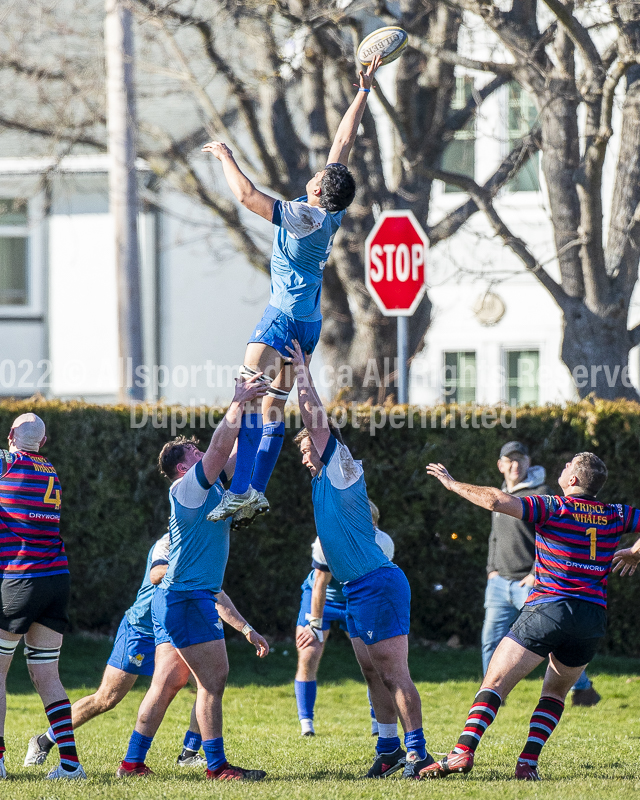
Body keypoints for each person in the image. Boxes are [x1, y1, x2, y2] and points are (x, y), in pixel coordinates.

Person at [201, 55, 382, 528]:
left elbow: (246, 198)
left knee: (245, 392)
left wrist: (226, 157)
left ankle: (239, 488)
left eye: (320, 178)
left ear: (321, 194)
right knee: (271, 405)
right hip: (308, 321)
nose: (317, 175)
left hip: (282, 316)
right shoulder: (330, 206)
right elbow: (343, 141)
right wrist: (363, 89)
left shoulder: (306, 217)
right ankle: (252, 492)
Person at [423, 453, 640, 781]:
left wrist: (453, 485)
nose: (562, 467)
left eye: (567, 465)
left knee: (494, 683)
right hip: (591, 619)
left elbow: (497, 500)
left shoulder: (555, 506)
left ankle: (462, 752)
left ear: (574, 481)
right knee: (554, 694)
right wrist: (636, 553)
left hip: (549, 609)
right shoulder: (616, 514)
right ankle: (527, 764)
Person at [287, 339, 431, 779]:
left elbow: (315, 417)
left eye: (309, 447)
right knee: (372, 671)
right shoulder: (320, 480)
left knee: (393, 672)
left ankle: (418, 754)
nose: (305, 454)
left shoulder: (341, 465)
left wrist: (301, 374)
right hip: (356, 588)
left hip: (377, 581)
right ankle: (388, 749)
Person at [117, 375, 270, 781]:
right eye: (195, 451)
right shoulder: (187, 489)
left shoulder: (211, 491)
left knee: (167, 684)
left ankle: (132, 763)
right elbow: (221, 447)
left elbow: (237, 451)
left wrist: (260, 407)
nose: (203, 452)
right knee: (214, 681)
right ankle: (216, 767)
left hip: (185, 599)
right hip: (186, 600)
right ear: (183, 466)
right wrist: (236, 399)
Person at [25, 531, 205, 768]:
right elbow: (156, 574)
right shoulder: (168, 542)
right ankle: (44, 740)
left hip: (174, 631)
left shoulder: (201, 544)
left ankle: (189, 753)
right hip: (141, 630)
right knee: (106, 698)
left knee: (207, 685)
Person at [0, 413, 85, 780]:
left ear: (10, 436)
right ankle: (70, 764)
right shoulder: (48, 470)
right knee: (47, 675)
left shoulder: (8, 463)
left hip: (20, 581)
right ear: (44, 443)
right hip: (56, 579)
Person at [482, 441, 599, 706]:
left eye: (520, 459)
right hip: (499, 582)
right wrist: (491, 570)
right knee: (490, 642)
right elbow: (495, 538)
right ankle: (491, 697)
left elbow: (557, 539)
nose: (514, 465)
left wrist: (536, 572)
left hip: (532, 583)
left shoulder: (543, 495)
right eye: (509, 460)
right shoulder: (502, 493)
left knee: (552, 641)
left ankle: (582, 688)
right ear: (500, 465)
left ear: (528, 462)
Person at [294, 503, 395, 737]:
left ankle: (377, 722)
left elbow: (377, 585)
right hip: (323, 600)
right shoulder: (328, 540)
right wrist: (315, 625)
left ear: (374, 525)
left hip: (356, 601)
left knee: (372, 661)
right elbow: (320, 583)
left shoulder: (382, 543)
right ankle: (306, 723)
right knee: (308, 654)